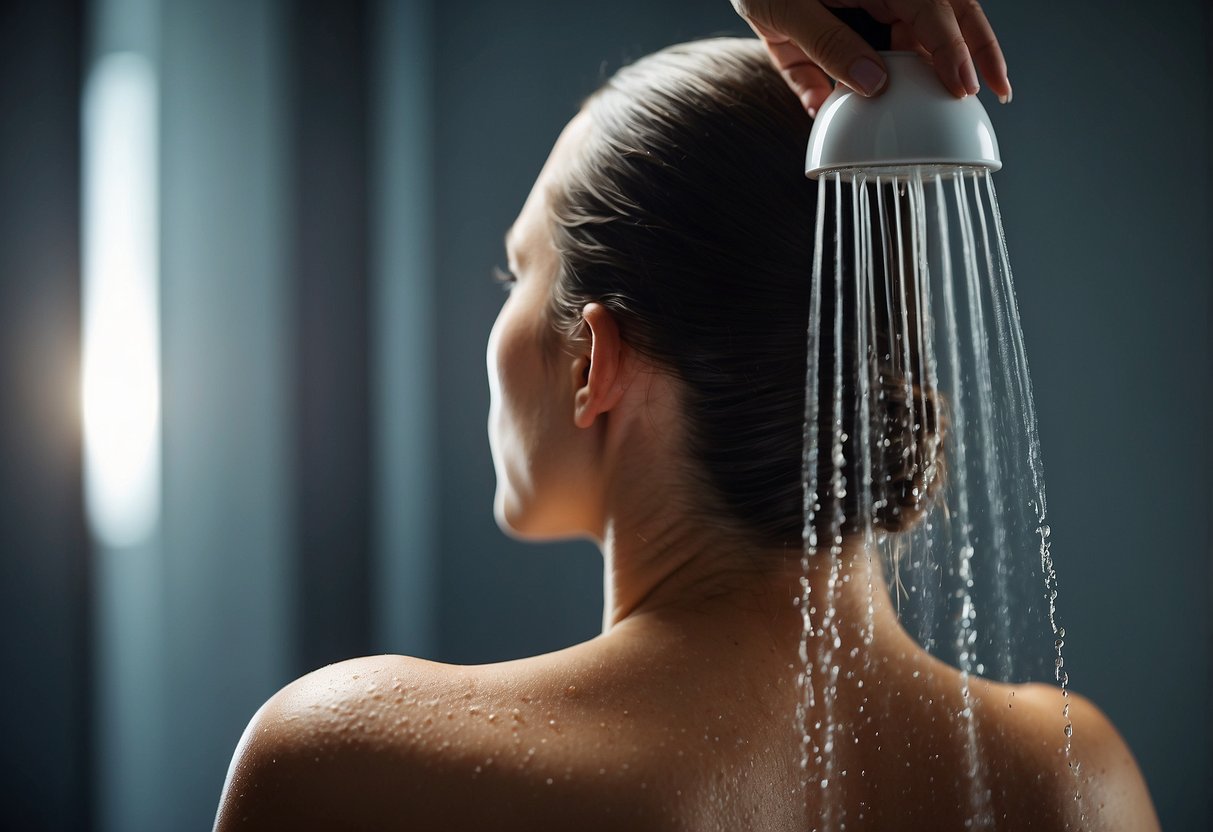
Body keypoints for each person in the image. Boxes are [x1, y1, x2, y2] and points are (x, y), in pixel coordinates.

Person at [213, 5, 1158, 831]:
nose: (494, 319)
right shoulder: (1069, 777)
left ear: (592, 360)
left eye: (516, 273)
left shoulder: (354, 769)